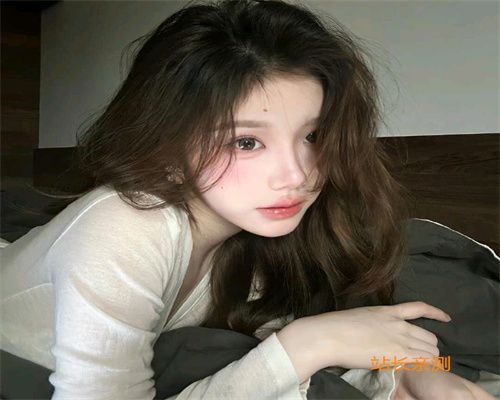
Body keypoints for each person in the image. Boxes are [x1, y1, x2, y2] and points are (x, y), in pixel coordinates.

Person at [0, 0, 494, 399]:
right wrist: (305, 343)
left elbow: (326, 348)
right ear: (168, 144)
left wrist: (410, 375)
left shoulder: (258, 231)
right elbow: (297, 350)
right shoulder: (124, 229)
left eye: (313, 135)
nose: (297, 175)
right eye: (246, 142)